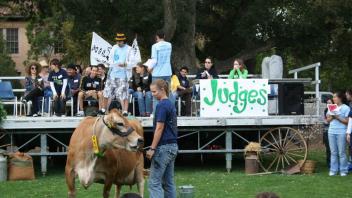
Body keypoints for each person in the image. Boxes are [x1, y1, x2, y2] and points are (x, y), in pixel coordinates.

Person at [147, 79, 178, 198]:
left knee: (154, 183)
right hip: (173, 146)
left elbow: (159, 128)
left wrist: (152, 148)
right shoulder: (170, 104)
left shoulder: (161, 105)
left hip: (163, 148)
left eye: (154, 92)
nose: (152, 94)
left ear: (162, 90)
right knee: (168, 183)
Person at [103, 32, 131, 116]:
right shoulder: (114, 48)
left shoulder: (129, 49)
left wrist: (125, 64)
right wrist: (110, 63)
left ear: (123, 41)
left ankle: (125, 111)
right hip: (112, 74)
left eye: (120, 41)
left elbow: (132, 61)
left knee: (123, 93)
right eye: (117, 41)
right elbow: (110, 59)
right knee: (107, 92)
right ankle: (105, 110)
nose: (118, 42)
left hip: (123, 75)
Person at [147, 30, 172, 114]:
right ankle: (169, 112)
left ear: (156, 37)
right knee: (167, 93)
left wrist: (149, 68)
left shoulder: (155, 46)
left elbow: (154, 60)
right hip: (167, 71)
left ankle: (156, 113)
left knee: (155, 94)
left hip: (157, 73)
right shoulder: (169, 45)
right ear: (164, 36)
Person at [326, 91, 350, 176]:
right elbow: (327, 120)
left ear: (340, 98)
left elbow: (347, 122)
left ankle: (343, 170)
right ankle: (333, 170)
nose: (333, 98)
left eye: (335, 97)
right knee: (333, 152)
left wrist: (337, 117)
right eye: (333, 97)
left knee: (342, 152)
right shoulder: (332, 107)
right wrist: (332, 116)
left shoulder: (346, 108)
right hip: (331, 131)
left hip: (341, 132)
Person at [323, 97, 333, 167]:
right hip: (326, 130)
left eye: (330, 103)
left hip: (332, 129)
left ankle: (333, 162)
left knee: (332, 148)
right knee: (328, 147)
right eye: (327, 103)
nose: (328, 104)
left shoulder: (334, 110)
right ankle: (328, 162)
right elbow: (325, 120)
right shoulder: (326, 110)